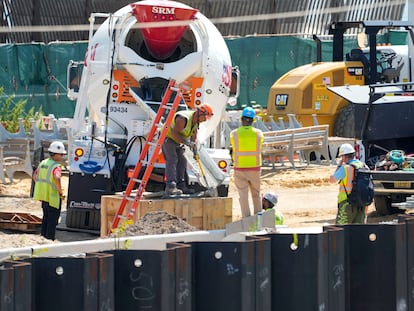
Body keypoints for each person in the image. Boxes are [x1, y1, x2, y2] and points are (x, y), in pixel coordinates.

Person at [162, 104, 214, 195]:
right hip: (168, 138)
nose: (205, 120)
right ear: (200, 113)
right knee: (172, 159)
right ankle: (170, 187)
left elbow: (193, 136)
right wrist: (187, 143)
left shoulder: (196, 123)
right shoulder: (183, 119)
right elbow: (174, 134)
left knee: (182, 161)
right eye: (205, 117)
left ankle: (181, 186)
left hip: (179, 140)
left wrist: (194, 147)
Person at [230, 107, 264, 217]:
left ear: (242, 119)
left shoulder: (234, 134)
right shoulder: (259, 134)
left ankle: (246, 218)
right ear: (253, 120)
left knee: (243, 196)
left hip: (239, 168)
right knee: (256, 195)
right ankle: (258, 217)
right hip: (255, 168)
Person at [33, 141, 66, 240]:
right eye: (61, 154)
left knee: (46, 219)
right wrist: (60, 191)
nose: (62, 156)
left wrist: (42, 187)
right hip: (53, 198)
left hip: (44, 197)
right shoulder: (55, 166)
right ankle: (50, 240)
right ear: (55, 154)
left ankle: (43, 239)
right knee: (52, 221)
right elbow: (57, 177)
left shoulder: (43, 163)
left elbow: (35, 176)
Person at [329, 143, 367, 224]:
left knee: (341, 231)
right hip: (362, 203)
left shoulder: (345, 168)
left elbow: (332, 179)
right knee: (358, 231)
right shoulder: (364, 166)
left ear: (343, 156)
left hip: (347, 203)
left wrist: (339, 166)